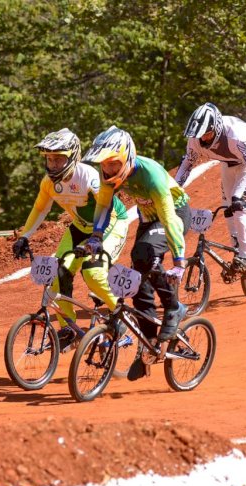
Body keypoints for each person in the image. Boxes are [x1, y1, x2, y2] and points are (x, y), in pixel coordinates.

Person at [84, 125, 190, 380]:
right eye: (104, 165)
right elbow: (103, 205)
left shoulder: (151, 175)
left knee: (145, 254)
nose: (108, 170)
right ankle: (149, 344)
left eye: (113, 164)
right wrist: (96, 236)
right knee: (137, 276)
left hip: (174, 215)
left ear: (128, 156)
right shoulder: (108, 176)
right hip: (148, 219)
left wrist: (178, 260)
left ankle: (174, 307)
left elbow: (169, 219)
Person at [12, 128, 129, 351]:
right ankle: (68, 328)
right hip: (78, 227)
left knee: (93, 274)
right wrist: (24, 236)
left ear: (73, 156)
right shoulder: (48, 183)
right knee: (59, 272)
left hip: (110, 224)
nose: (54, 165)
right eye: (50, 159)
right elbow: (39, 209)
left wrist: (96, 239)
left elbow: (106, 206)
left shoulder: (88, 176)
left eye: (59, 159)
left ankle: (120, 318)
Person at [174, 103, 246, 269]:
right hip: (228, 161)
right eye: (200, 135)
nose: (203, 139)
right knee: (227, 207)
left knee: (238, 204)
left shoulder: (237, 138)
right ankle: (236, 246)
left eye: (207, 134)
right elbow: (187, 165)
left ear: (216, 128)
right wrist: (172, 192)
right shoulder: (195, 140)